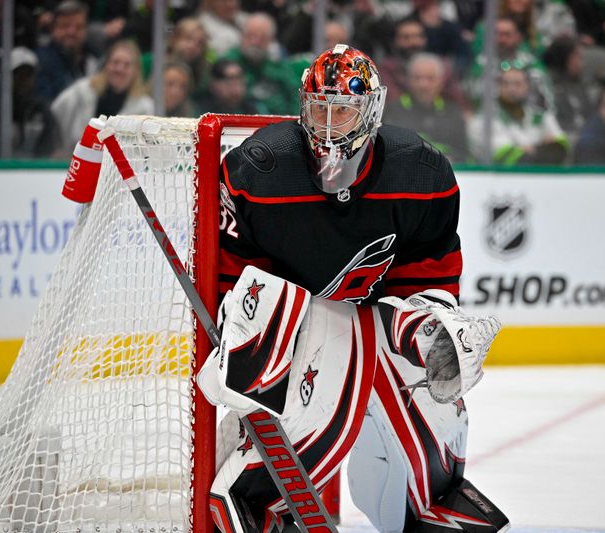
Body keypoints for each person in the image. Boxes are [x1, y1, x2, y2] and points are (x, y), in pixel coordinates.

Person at [197, 44, 509, 533]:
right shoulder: (257, 169)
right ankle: (255, 501)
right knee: (279, 377)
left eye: (341, 109)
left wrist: (430, 329)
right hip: (294, 330)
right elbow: (233, 281)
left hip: (373, 320)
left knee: (431, 401)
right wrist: (248, 341)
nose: (327, 122)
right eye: (318, 107)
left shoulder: (422, 173)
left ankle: (430, 500)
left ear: (372, 109)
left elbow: (429, 278)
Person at [52, 39, 153, 153]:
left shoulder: (145, 107)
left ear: (136, 70)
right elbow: (54, 114)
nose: (119, 69)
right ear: (106, 64)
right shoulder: (81, 90)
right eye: (115, 62)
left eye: (127, 65)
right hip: (72, 163)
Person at [0, 47, 59, 158]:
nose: (24, 80)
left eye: (29, 74)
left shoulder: (40, 109)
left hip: (32, 172)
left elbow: (47, 149)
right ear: (3, 75)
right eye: (18, 74)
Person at [468, 66, 568, 165]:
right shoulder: (483, 121)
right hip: (497, 179)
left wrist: (530, 150)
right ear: (497, 87)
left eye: (518, 84)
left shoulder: (541, 117)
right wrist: (543, 147)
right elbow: (509, 158)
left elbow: (562, 148)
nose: (511, 89)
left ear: (527, 86)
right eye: (505, 84)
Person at [383, 52, 469, 162]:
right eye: (417, 78)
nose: (423, 85)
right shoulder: (392, 111)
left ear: (441, 81)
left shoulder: (453, 112)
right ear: (408, 79)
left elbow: (463, 153)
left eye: (430, 78)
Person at [220, 12, 299, 115]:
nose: (255, 42)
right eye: (250, 35)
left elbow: (295, 100)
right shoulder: (226, 64)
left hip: (278, 126)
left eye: (262, 38)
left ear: (271, 41)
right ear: (241, 36)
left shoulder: (279, 69)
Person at [34, 1, 100, 103]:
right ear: (53, 29)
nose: (71, 32)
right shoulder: (41, 61)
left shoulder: (94, 60)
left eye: (78, 27)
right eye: (65, 26)